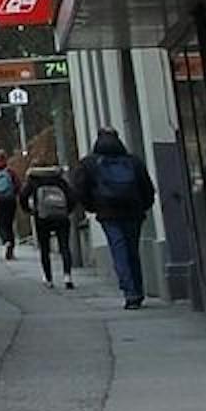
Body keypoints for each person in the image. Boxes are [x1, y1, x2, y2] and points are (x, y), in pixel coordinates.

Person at [81, 127, 155, 308]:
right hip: (133, 213)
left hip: (108, 214)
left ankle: (130, 292)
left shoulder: (90, 163)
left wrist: (94, 207)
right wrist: (142, 206)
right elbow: (147, 188)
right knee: (132, 251)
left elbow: (81, 190)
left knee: (118, 250)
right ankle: (138, 290)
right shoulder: (133, 162)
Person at [23, 154, 80, 288]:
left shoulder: (33, 180)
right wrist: (66, 211)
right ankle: (67, 276)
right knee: (64, 246)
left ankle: (48, 278)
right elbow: (71, 197)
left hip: (42, 217)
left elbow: (23, 196)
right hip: (61, 217)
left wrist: (30, 211)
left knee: (45, 249)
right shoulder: (58, 178)